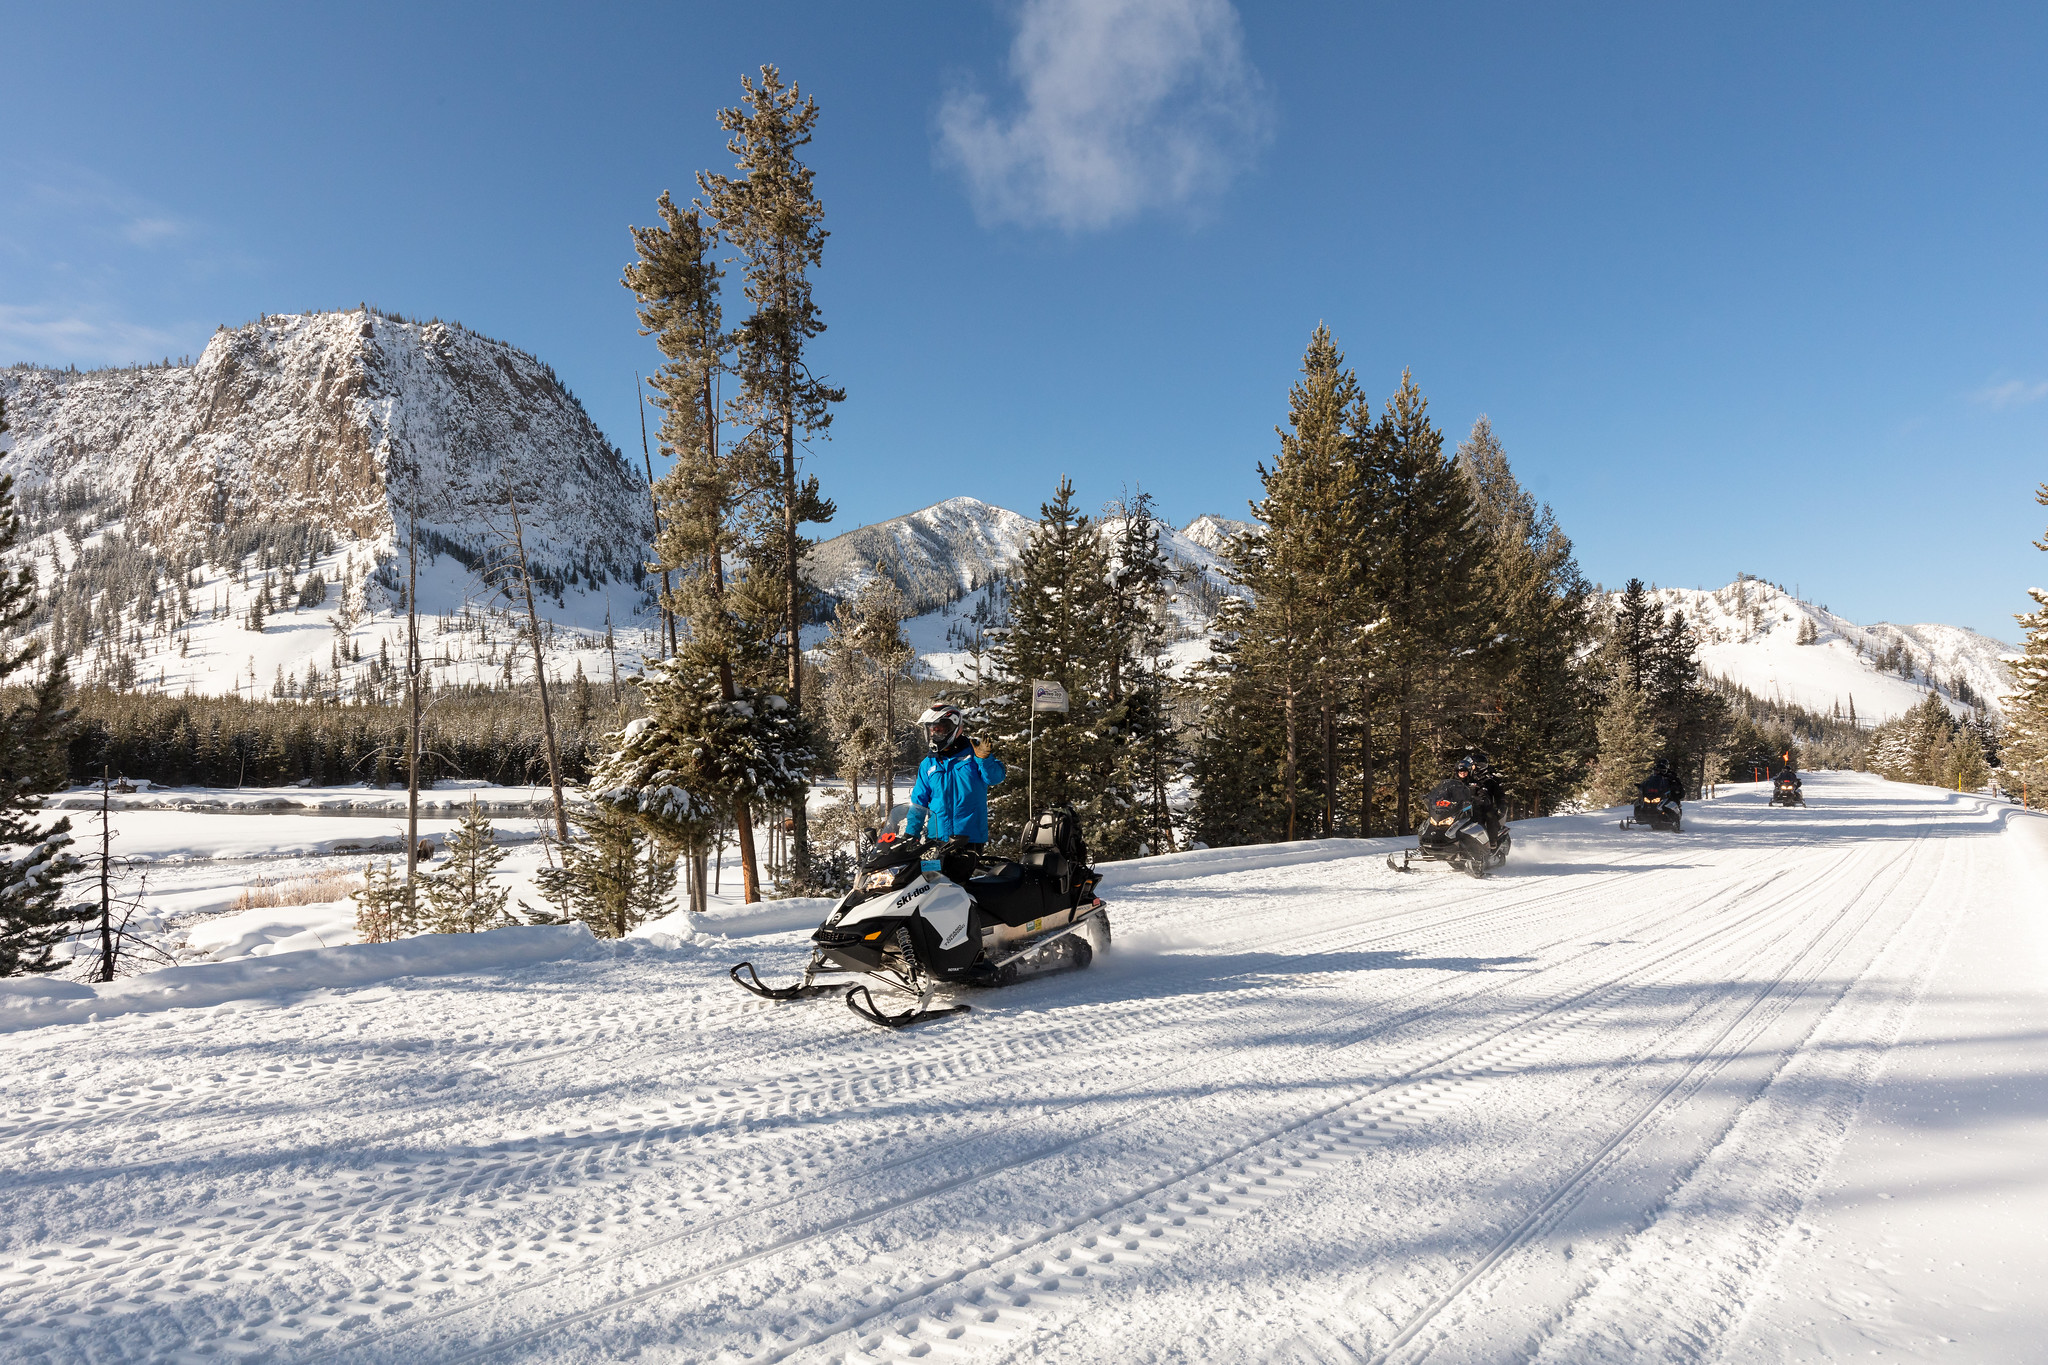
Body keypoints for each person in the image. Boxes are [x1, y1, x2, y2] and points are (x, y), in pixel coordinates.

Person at [906, 706, 1006, 867]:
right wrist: (911, 834)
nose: (934, 734)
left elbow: (995, 777)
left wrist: (985, 759)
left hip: (968, 838)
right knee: (931, 886)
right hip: (937, 839)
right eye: (932, 730)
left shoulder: (975, 754)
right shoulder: (928, 764)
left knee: (960, 888)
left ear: (953, 728)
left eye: (939, 729)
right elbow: (918, 802)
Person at [1455, 752, 1508, 846]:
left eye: (1473, 765)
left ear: (1479, 766)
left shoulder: (1490, 780)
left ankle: (1492, 842)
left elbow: (1499, 795)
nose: (1470, 767)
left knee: (1489, 816)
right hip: (1466, 806)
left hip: (1484, 806)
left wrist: (1501, 806)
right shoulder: (1468, 777)